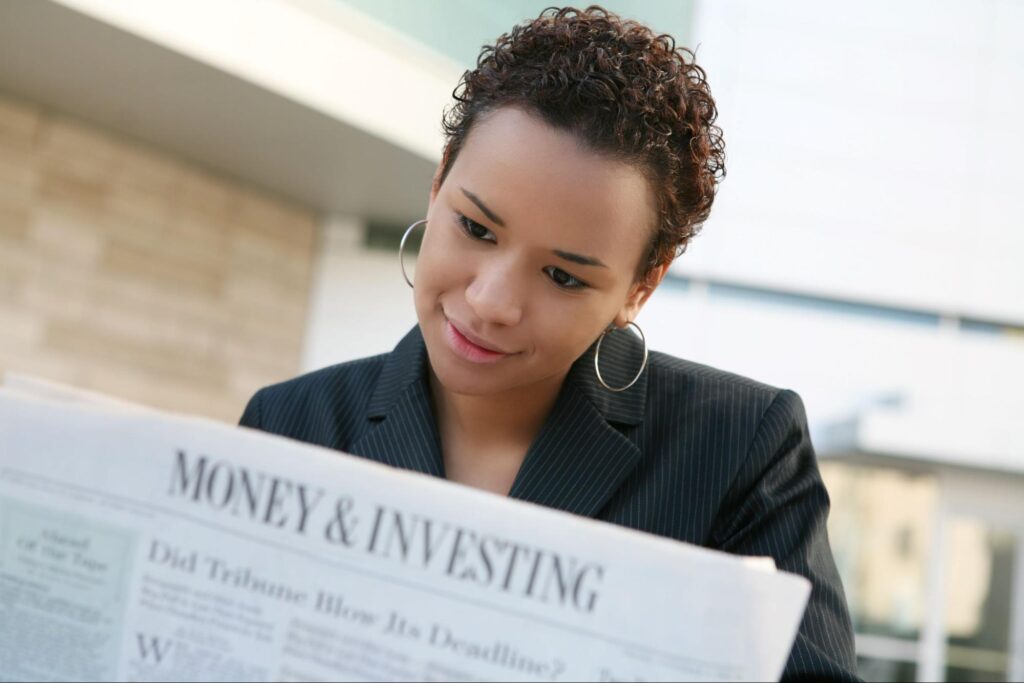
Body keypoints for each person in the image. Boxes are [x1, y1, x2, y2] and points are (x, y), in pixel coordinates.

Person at [239, 6, 858, 681]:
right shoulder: (289, 428)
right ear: (441, 177)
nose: (490, 302)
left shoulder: (740, 453)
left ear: (640, 285)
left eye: (562, 275)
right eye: (476, 228)